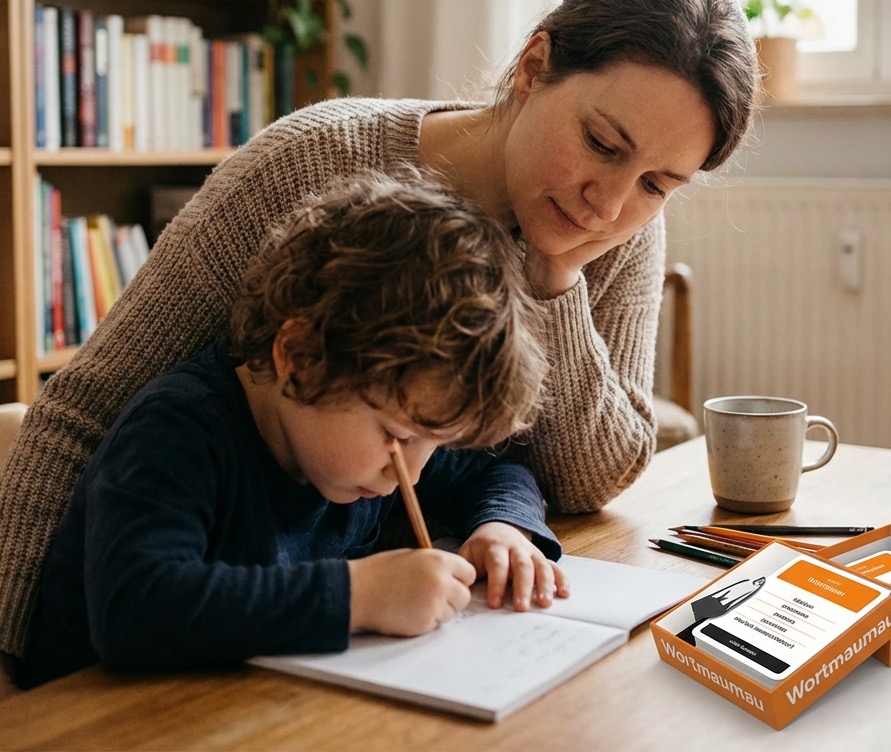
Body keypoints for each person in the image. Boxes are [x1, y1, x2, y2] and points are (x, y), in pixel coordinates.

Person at [0, 0, 760, 668]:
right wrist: (21, 667)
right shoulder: (313, 164)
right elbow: (87, 412)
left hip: (355, 646)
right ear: (533, 69)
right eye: (600, 143)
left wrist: (557, 274)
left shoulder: (617, 232)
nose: (613, 203)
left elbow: (580, 481)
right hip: (194, 639)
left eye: (659, 184)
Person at [14, 170, 566, 689]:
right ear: (300, 357)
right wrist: (361, 596)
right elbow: (135, 608)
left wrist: (501, 528)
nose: (411, 474)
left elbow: (496, 472)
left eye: (437, 443)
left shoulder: (367, 441)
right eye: (398, 437)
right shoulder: (176, 431)